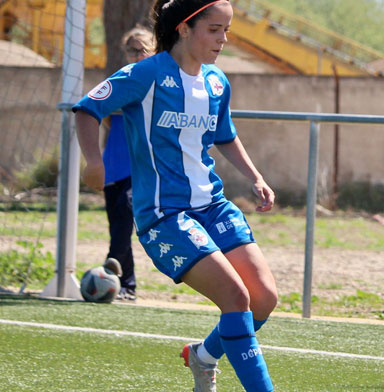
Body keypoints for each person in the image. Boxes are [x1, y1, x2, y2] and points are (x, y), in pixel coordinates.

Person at [73, 1, 277, 391]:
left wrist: (255, 176)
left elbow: (224, 134)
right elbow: (87, 109)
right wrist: (93, 162)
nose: (223, 39)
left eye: (227, 30)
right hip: (165, 215)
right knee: (236, 298)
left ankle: (202, 356)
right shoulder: (145, 74)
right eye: (214, 29)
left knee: (263, 298)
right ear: (184, 28)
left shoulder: (217, 82)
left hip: (213, 205)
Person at [101, 26, 155, 301]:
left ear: (153, 50)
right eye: (132, 50)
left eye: (142, 49)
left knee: (126, 208)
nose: (137, 55)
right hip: (114, 162)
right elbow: (105, 116)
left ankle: (108, 267)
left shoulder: (155, 81)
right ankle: (126, 286)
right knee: (118, 223)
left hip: (140, 164)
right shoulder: (120, 79)